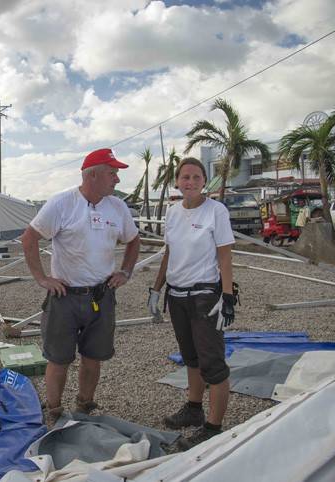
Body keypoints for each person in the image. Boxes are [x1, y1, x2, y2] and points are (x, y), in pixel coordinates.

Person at [21, 148, 140, 426]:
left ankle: (84, 407)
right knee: (59, 359)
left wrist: (126, 271)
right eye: (113, 173)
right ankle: (54, 410)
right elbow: (29, 239)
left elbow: (133, 241)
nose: (117, 180)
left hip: (101, 295)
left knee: (93, 357)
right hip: (65, 296)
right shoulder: (62, 204)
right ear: (93, 174)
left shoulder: (117, 207)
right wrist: (42, 279)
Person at [148, 157, 236, 450]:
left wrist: (227, 297)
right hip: (178, 296)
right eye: (185, 177)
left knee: (212, 363)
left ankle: (213, 427)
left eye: (196, 177)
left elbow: (225, 255)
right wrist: (156, 290)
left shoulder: (216, 211)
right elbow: (168, 254)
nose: (190, 182)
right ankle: (194, 408)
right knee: (191, 358)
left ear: (204, 181)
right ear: (177, 181)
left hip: (205, 297)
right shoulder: (173, 213)